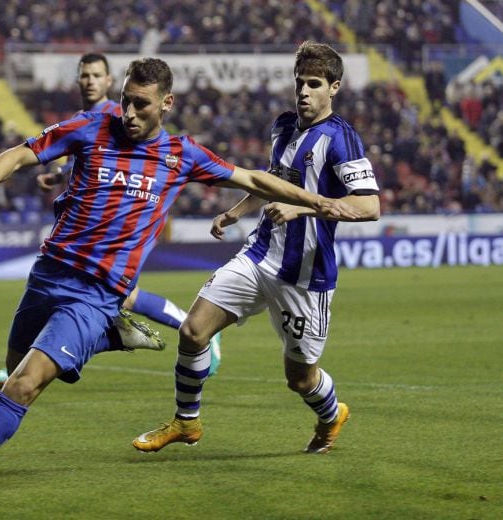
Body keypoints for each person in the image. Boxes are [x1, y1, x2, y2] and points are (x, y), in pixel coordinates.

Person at [0, 57, 360, 502]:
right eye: (125, 101)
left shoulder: (181, 155)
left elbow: (253, 178)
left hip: (96, 293)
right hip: (47, 276)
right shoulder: (89, 128)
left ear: (166, 104)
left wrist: (316, 203)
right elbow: (22, 153)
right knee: (13, 374)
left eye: (141, 103)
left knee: (24, 386)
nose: (129, 112)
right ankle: (111, 337)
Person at [133, 42, 381, 455]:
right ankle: (186, 422)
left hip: (305, 275)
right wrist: (236, 212)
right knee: (193, 331)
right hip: (259, 254)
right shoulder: (283, 126)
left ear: (333, 88)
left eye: (314, 84)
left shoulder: (342, 140)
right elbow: (272, 179)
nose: (303, 92)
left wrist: (302, 210)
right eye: (299, 83)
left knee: (300, 379)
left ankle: (331, 413)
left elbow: (370, 206)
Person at [0, 53, 221, 389]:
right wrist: (61, 174)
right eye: (84, 75)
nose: (89, 81)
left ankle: (194, 329)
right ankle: (31, 366)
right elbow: (94, 164)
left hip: (114, 231)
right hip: (86, 232)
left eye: (96, 75)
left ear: (109, 81)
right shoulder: (87, 118)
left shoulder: (118, 116)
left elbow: (143, 162)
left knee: (117, 299)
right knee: (95, 307)